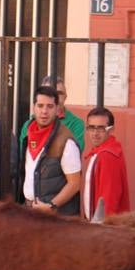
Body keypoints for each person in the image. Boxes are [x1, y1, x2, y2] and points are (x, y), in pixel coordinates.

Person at [19, 84, 81, 215]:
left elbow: (75, 184)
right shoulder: (29, 133)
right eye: (40, 106)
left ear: (57, 109)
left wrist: (51, 206)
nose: (44, 111)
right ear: (33, 107)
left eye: (50, 106)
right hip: (29, 210)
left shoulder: (66, 141)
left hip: (54, 217)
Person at [81, 107, 130, 218]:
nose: (95, 133)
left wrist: (102, 227)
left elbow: (109, 199)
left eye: (101, 128)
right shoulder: (102, 152)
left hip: (104, 227)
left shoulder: (107, 156)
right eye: (91, 128)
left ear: (111, 130)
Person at [19, 74, 85, 152]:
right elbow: (23, 155)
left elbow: (74, 152)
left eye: (59, 93)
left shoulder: (76, 124)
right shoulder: (29, 125)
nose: (54, 97)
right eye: (48, 93)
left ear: (65, 96)